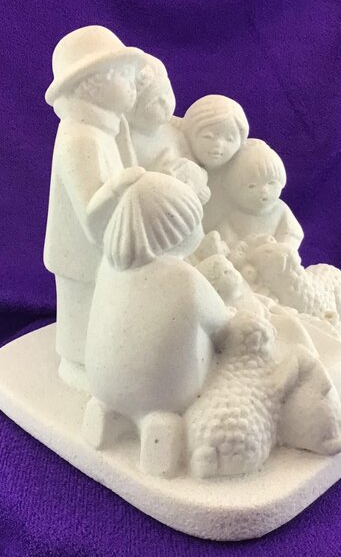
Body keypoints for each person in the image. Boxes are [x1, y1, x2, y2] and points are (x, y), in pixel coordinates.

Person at [82, 171, 232, 477]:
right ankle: (160, 426)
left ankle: (104, 412)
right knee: (214, 347)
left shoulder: (108, 265)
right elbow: (221, 325)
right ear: (173, 232)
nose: (200, 230)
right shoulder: (184, 278)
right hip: (164, 393)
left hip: (101, 382)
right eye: (194, 223)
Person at [44, 26, 146, 391]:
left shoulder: (106, 129)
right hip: (83, 253)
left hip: (101, 248)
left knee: (101, 312)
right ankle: (82, 367)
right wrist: (128, 184)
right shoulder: (81, 138)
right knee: (83, 315)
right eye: (122, 75)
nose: (133, 85)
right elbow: (91, 209)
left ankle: (100, 362)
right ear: (88, 85)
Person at [127, 56, 210, 204]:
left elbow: (198, 165)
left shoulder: (176, 130)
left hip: (187, 197)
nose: (166, 103)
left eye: (166, 92)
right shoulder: (129, 143)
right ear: (133, 113)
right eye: (154, 101)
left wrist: (199, 182)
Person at [216, 139, 304, 249]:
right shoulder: (233, 215)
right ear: (233, 190)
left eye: (271, 183)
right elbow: (224, 240)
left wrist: (283, 246)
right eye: (252, 186)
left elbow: (293, 233)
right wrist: (236, 246)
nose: (264, 190)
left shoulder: (280, 209)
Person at [181, 95, 249, 230]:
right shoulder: (179, 165)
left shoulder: (241, 172)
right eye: (208, 136)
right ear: (190, 133)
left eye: (229, 139)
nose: (218, 145)